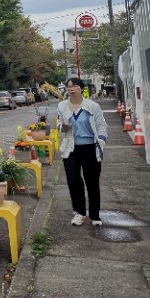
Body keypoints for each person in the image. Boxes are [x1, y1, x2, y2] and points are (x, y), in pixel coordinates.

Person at [56, 77, 108, 227]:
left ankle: (94, 215)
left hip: (90, 148)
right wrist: (63, 127)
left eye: (75, 86)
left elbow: (101, 126)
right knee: (73, 181)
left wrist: (101, 143)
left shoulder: (93, 106)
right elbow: (59, 125)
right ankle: (79, 213)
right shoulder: (62, 106)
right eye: (69, 87)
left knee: (92, 182)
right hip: (71, 149)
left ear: (81, 88)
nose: (71, 89)